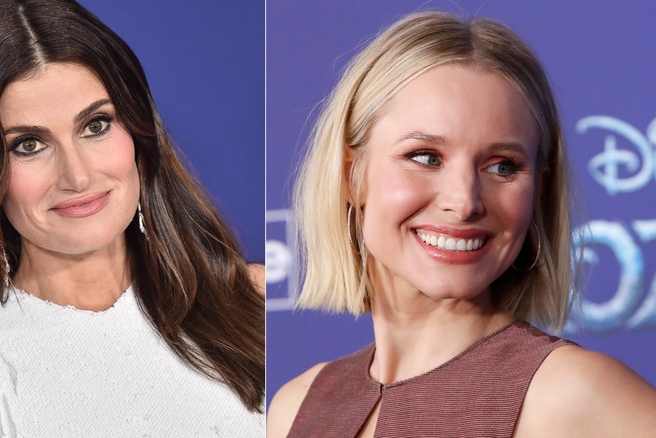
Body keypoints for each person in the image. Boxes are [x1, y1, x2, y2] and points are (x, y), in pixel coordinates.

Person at [0, 0, 265, 436]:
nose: (77, 176)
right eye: (28, 145)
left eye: (96, 125)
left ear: (138, 133)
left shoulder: (256, 304)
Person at [267, 11, 656, 437]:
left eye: (503, 166)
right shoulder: (296, 407)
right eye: (426, 157)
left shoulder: (576, 396)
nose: (464, 201)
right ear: (350, 175)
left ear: (539, 190)